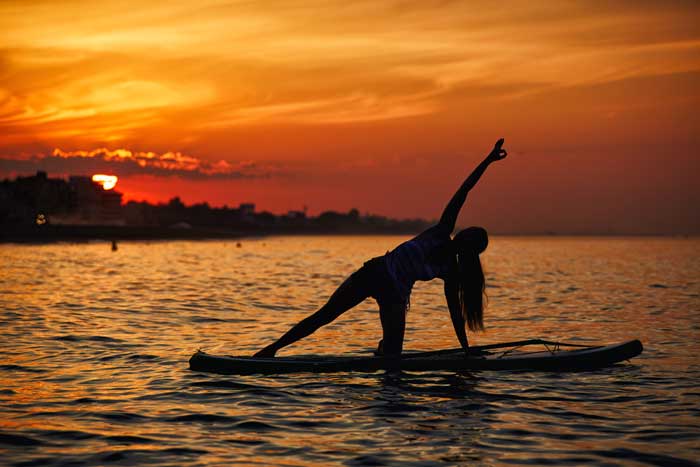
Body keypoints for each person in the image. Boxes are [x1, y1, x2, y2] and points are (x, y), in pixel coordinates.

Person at [254, 139, 508, 358]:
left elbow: (455, 313)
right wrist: (487, 161)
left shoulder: (451, 271)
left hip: (395, 294)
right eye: (468, 230)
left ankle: (383, 351)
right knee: (326, 315)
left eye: (470, 235)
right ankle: (271, 350)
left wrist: (464, 351)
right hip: (375, 272)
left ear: (469, 248)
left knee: (393, 361)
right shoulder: (442, 231)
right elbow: (464, 191)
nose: (463, 231)